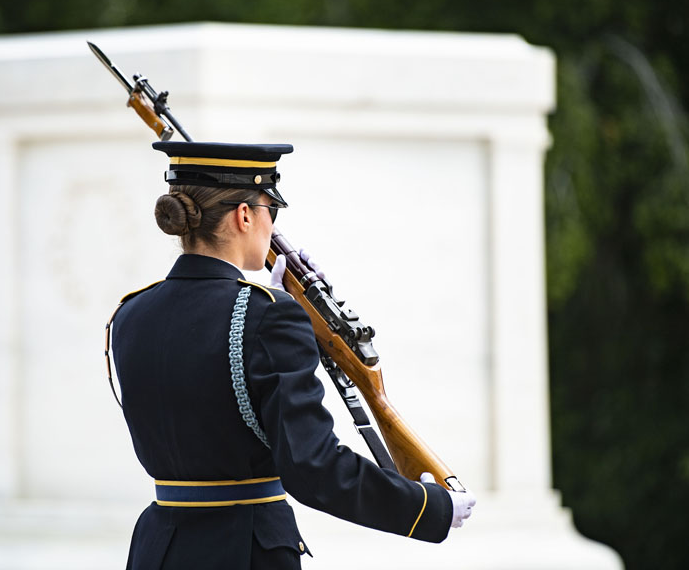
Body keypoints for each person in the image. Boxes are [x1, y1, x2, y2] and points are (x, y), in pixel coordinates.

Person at [109, 141, 476, 569]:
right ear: (244, 215)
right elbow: (313, 466)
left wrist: (276, 314)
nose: (272, 225)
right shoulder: (267, 315)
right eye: (271, 209)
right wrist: (426, 507)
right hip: (244, 553)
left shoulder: (130, 312)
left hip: (157, 550)